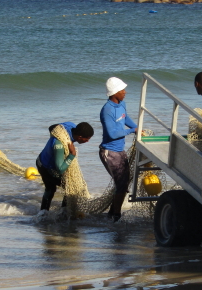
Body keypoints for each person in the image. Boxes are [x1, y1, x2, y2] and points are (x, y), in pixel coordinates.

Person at [99, 77, 137, 222]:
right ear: (114, 93)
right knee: (121, 184)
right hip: (109, 152)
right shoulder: (106, 110)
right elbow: (112, 134)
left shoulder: (122, 104)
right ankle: (116, 216)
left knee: (124, 182)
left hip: (120, 150)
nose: (125, 92)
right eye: (122, 90)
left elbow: (125, 118)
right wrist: (131, 131)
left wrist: (137, 128)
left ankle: (111, 213)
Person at [36, 122, 94, 212]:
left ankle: (47, 212)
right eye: (87, 139)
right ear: (80, 137)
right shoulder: (59, 145)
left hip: (41, 159)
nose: (88, 141)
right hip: (45, 167)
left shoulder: (70, 126)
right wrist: (72, 155)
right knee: (71, 187)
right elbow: (60, 169)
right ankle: (60, 213)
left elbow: (52, 127)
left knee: (52, 188)